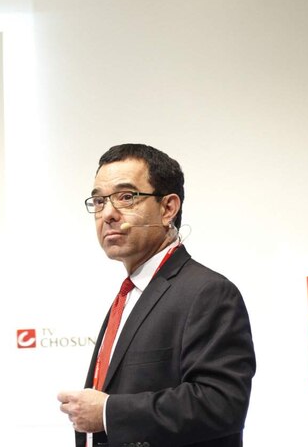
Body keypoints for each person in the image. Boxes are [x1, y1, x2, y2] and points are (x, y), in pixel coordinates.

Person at [57, 143, 255, 447]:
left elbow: (222, 403)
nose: (108, 213)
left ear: (168, 208)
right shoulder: (131, 293)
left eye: (126, 197)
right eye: (98, 201)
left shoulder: (207, 292)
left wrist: (109, 412)